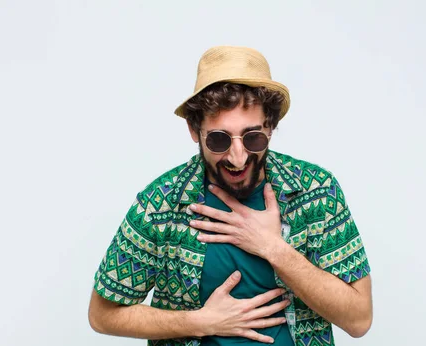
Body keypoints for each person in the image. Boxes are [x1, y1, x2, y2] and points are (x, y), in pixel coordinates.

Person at [88, 45, 373, 346]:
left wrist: (274, 249)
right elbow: (102, 315)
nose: (238, 157)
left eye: (253, 137)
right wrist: (199, 321)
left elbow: (358, 319)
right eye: (219, 139)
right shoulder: (160, 205)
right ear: (194, 130)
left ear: (271, 127)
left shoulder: (317, 193)